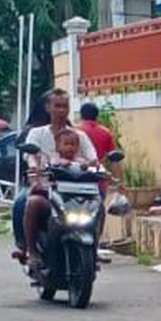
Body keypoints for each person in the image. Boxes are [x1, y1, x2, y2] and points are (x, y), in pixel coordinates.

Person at [20, 89, 98, 272]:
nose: (62, 110)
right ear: (48, 107)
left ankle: (95, 248)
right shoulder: (36, 134)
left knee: (99, 206)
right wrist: (34, 168)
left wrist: (96, 167)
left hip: (77, 194)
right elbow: (31, 156)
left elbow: (93, 159)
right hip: (49, 192)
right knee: (30, 203)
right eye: (57, 106)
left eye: (65, 106)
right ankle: (31, 252)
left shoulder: (79, 136)